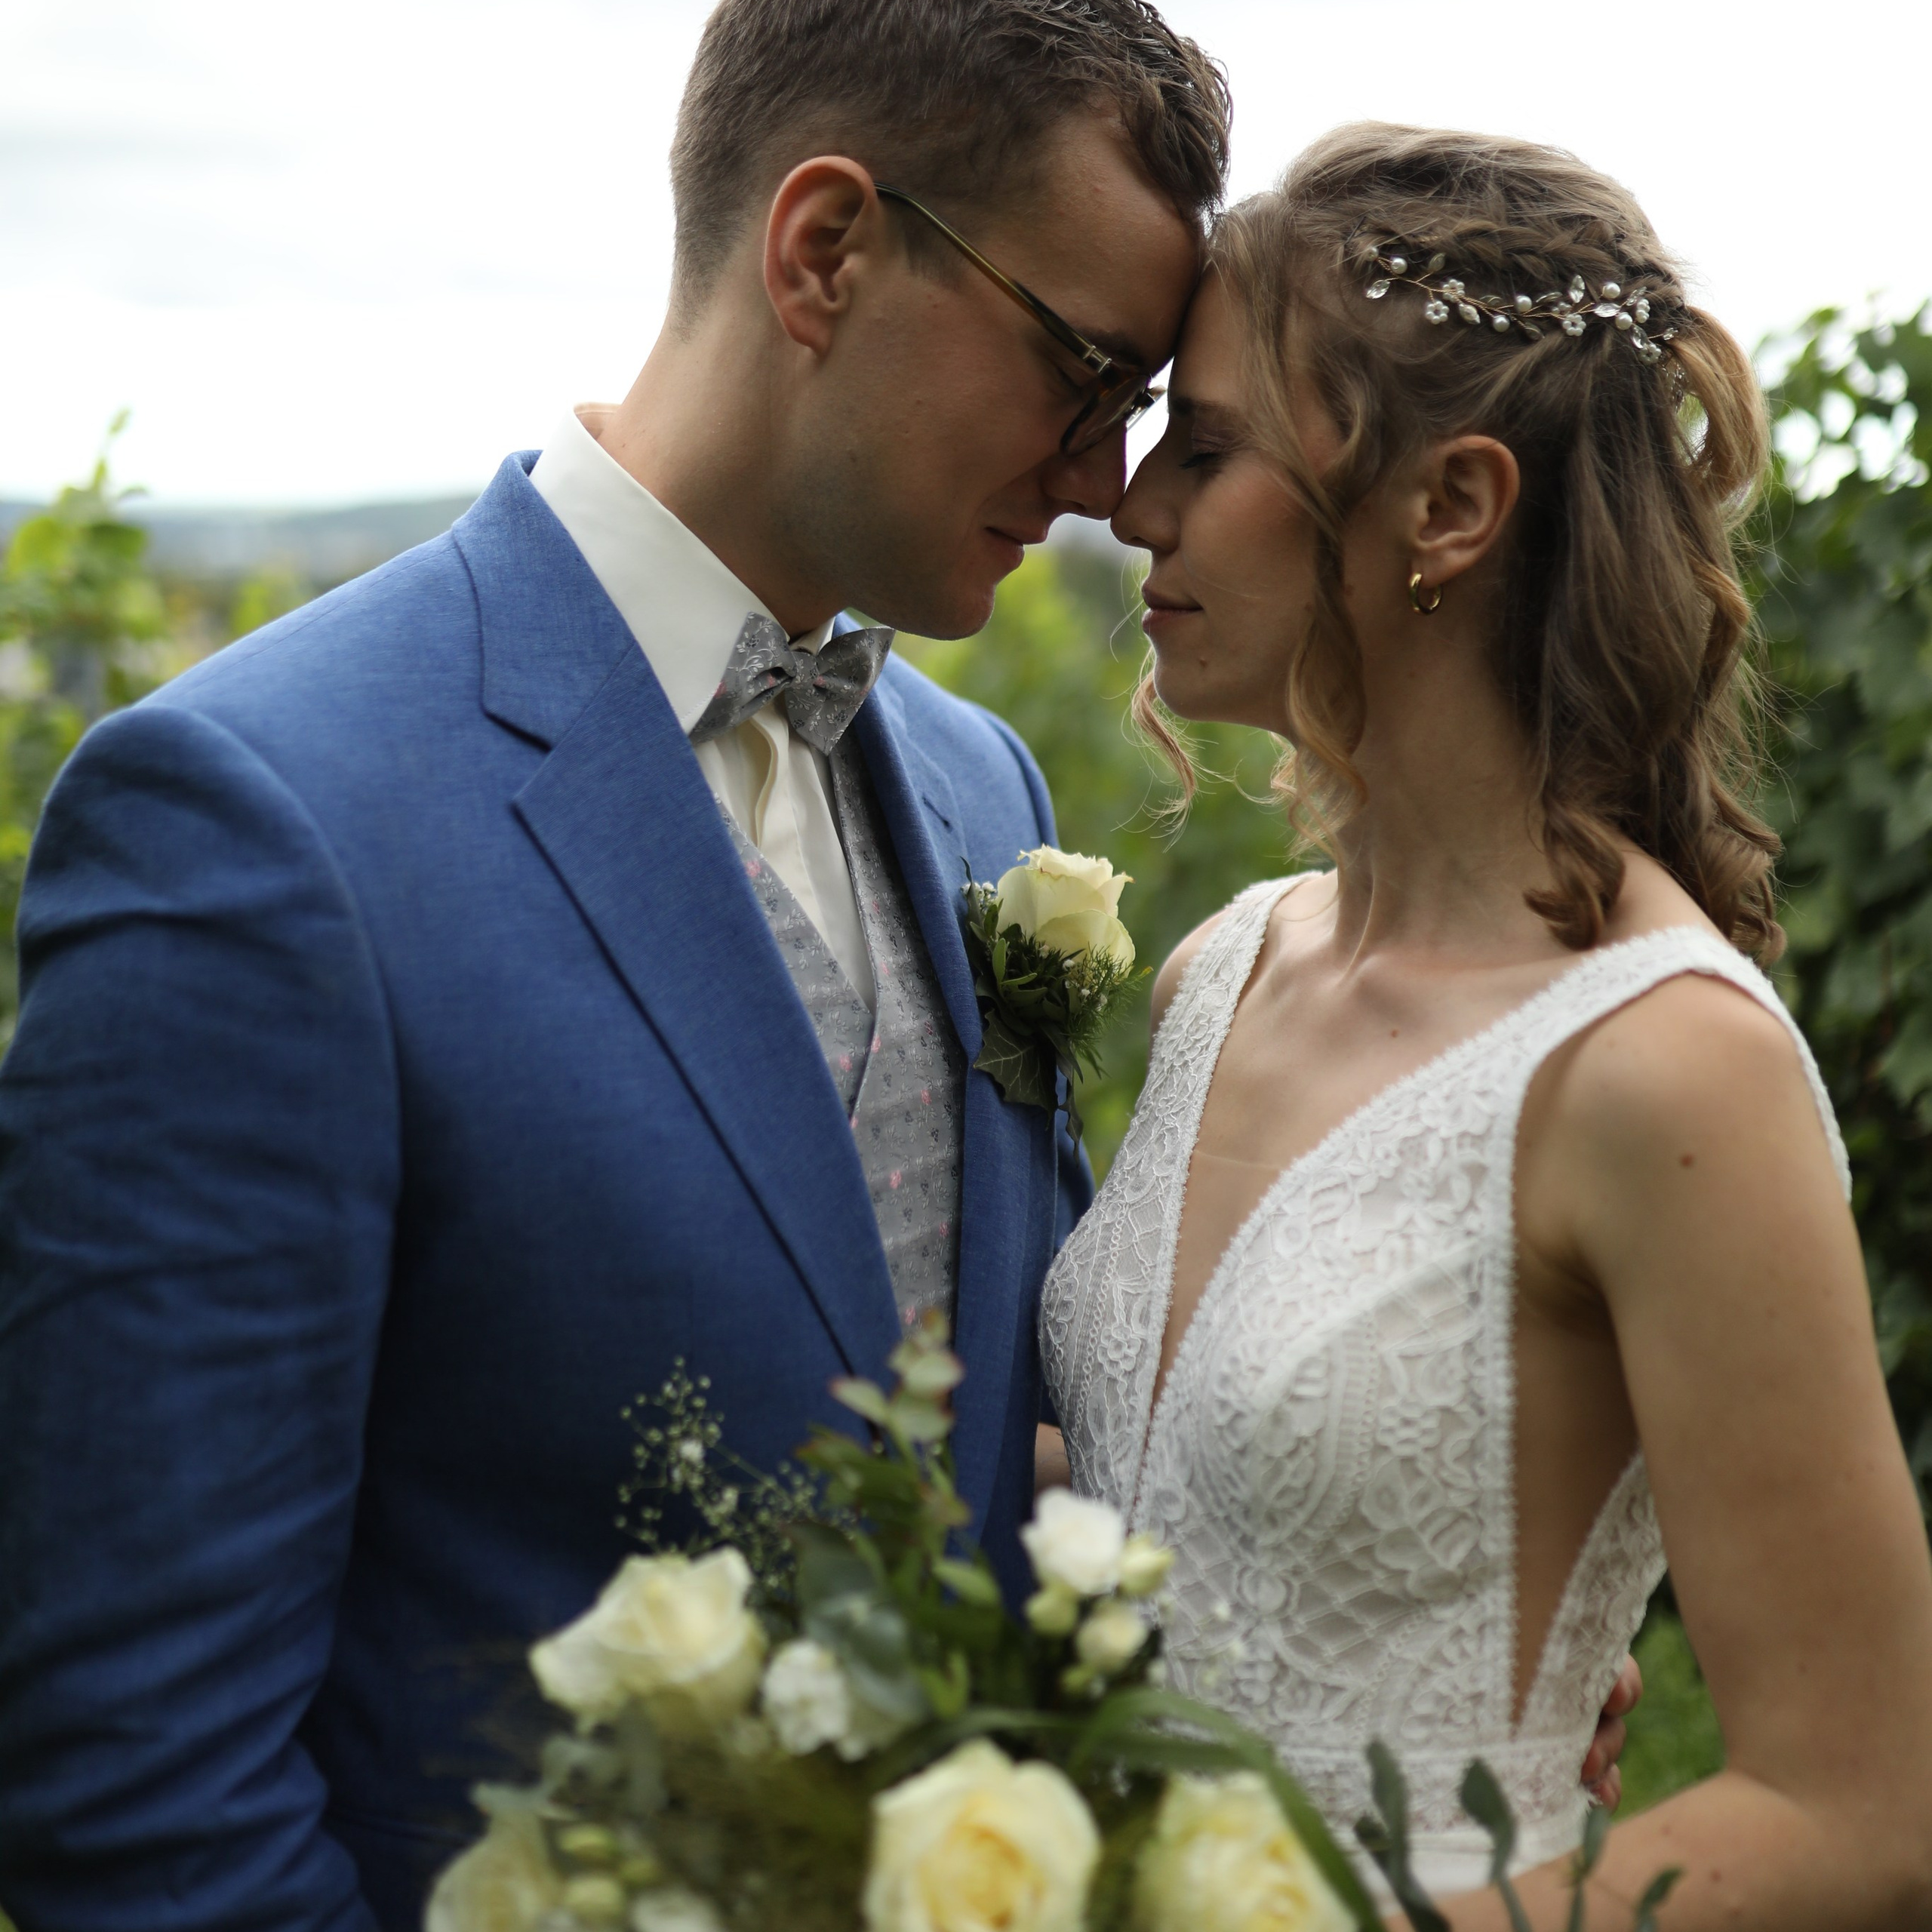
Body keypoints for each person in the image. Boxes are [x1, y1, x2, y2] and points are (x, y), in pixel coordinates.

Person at [0, 5, 1218, 1927]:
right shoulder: (252, 819)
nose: (1102, 479)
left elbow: (1002, 1440)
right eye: (1082, 371)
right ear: (824, 250)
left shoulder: (984, 789)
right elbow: (145, 1782)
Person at [1040, 122, 1932, 1926]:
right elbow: (1173, 1497)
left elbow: (1863, 1810)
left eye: (1202, 449)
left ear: (1447, 507)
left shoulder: (1663, 1066)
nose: (1129, 509)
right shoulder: (1219, 970)